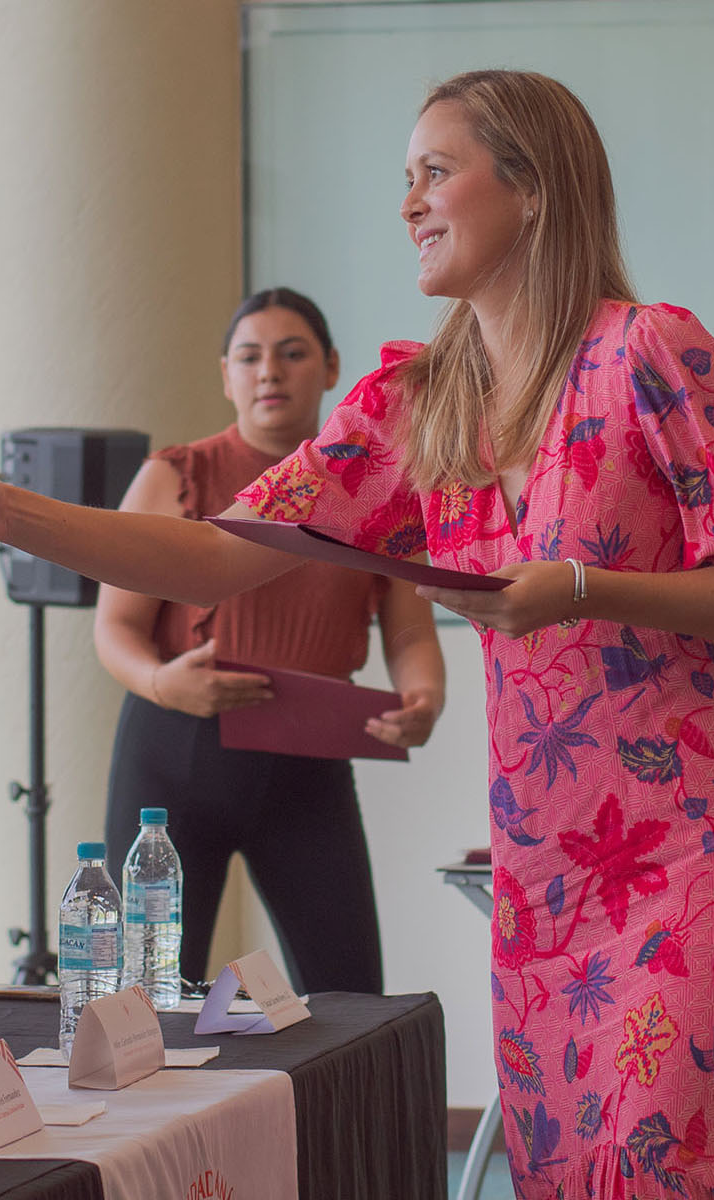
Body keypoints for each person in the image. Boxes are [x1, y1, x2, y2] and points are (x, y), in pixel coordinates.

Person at [0, 70, 714, 1198]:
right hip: (546, 883)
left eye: (435, 173)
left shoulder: (647, 351)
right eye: (402, 179)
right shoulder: (417, 405)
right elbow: (217, 552)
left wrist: (584, 587)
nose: (408, 203)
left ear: (535, 188)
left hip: (703, 856)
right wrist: (10, 515)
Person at [94, 287, 445, 995]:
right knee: (150, 996)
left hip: (308, 761)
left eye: (292, 355)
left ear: (332, 367)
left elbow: (408, 628)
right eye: (249, 358)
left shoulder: (379, 490)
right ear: (226, 376)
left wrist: (426, 696)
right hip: (175, 752)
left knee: (349, 994)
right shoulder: (173, 475)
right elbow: (115, 629)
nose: (269, 373)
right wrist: (166, 684)